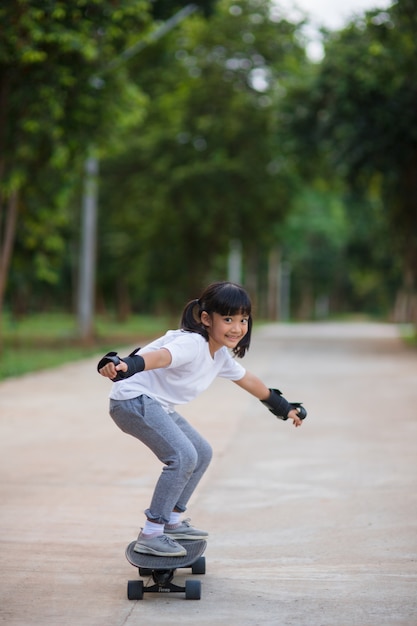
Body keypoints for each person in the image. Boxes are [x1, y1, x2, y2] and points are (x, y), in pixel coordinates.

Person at [98, 281, 306, 558]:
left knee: (202, 453)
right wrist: (127, 364)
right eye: (228, 319)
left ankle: (172, 521)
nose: (237, 328)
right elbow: (160, 357)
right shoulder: (192, 343)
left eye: (243, 320)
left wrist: (283, 406)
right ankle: (152, 532)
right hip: (132, 400)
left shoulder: (218, 354)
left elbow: (249, 380)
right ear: (206, 319)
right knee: (183, 456)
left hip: (156, 404)